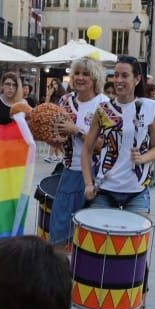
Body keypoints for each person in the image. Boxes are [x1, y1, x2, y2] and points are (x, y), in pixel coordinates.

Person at [79, 55, 155, 309]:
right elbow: (87, 149)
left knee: (137, 253)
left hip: (136, 191)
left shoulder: (149, 108)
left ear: (137, 79)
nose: (120, 80)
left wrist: (143, 158)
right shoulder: (103, 110)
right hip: (106, 189)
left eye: (126, 75)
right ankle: (82, 303)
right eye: (117, 75)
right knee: (93, 247)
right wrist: (88, 182)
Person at [47, 56, 105, 264]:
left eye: (85, 74)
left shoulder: (104, 104)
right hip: (70, 170)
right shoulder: (65, 101)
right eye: (77, 73)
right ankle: (60, 281)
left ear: (95, 78)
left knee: (91, 235)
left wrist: (76, 131)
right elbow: (58, 133)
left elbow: (102, 145)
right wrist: (54, 138)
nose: (80, 78)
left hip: (96, 174)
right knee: (59, 233)